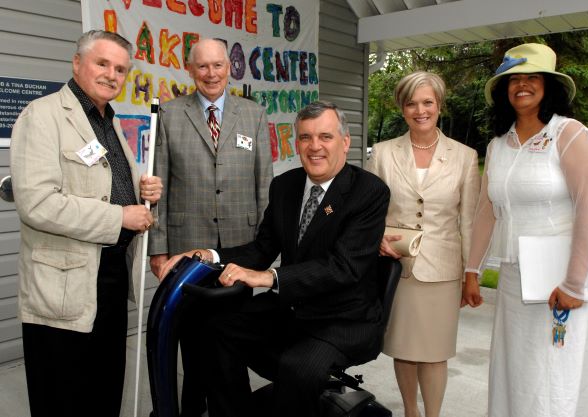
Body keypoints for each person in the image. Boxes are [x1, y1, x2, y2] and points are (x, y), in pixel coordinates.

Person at [159, 101, 390, 417]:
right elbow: (261, 249)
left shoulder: (369, 191)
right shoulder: (285, 185)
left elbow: (343, 268)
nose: (314, 147)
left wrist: (270, 277)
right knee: (212, 328)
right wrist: (207, 255)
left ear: (345, 142)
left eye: (325, 137)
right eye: (305, 138)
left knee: (298, 368)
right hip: (293, 311)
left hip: (344, 319)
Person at [462, 43, 588, 416]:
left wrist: (574, 283)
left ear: (548, 85)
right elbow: (487, 211)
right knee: (519, 372)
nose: (522, 85)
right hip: (513, 279)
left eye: (531, 77)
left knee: (559, 373)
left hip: (561, 281)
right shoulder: (499, 145)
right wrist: (472, 269)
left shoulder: (569, 133)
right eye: (513, 79)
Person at [10, 30, 163, 417]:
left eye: (121, 69)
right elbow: (37, 204)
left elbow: (102, 185)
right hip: (64, 282)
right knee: (64, 395)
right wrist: (120, 215)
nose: (112, 74)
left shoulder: (108, 121)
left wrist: (140, 192)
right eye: (102, 63)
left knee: (104, 387)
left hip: (109, 277)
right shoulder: (42, 115)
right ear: (77, 63)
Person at [148, 37, 273, 416]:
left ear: (230, 68)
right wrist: (158, 250)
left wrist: (269, 247)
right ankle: (190, 408)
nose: (211, 73)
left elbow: (263, 185)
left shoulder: (253, 115)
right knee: (189, 334)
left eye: (218, 65)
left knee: (228, 336)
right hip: (188, 248)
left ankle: (226, 407)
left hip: (241, 245)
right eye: (202, 66)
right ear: (190, 70)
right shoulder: (170, 115)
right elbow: (160, 188)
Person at [367, 71, 480, 417]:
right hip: (397, 269)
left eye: (427, 102)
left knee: (434, 351)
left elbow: (469, 222)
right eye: (412, 103)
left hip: (442, 271)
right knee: (404, 347)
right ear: (402, 108)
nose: (420, 110)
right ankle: (410, 411)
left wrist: (470, 274)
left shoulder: (464, 156)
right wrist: (379, 240)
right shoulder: (383, 154)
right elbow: (368, 212)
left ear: (439, 105)